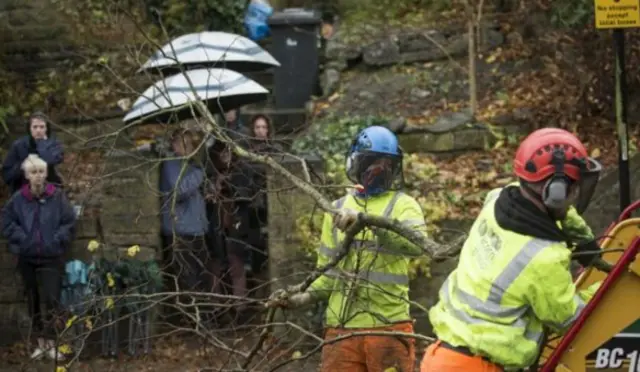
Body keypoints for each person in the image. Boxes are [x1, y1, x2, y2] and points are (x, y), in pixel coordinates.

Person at [420, 128, 604, 372]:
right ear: (556, 192)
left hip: (441, 357)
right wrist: (608, 284)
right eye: (572, 189)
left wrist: (585, 241)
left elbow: (555, 212)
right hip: (478, 366)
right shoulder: (542, 257)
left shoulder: (497, 200)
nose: (573, 197)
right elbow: (570, 318)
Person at [267, 125, 429, 372]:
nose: (380, 170)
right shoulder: (336, 208)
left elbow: (417, 244)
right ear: (359, 163)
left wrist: (368, 222)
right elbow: (328, 274)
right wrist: (302, 296)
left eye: (387, 164)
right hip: (341, 329)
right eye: (374, 163)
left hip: (388, 327)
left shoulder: (404, 206)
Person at [2, 154, 75, 361]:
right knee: (32, 300)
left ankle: (52, 343)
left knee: (52, 300)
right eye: (33, 172)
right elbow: (7, 222)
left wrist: (56, 239)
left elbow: (69, 221)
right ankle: (39, 344)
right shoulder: (18, 199)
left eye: (41, 171)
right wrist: (23, 239)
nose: (38, 176)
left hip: (52, 256)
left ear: (46, 173)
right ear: (26, 175)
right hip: (27, 257)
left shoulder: (57, 196)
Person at [159, 129, 210, 295]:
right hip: (180, 231)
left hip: (196, 228)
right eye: (184, 144)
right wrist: (199, 174)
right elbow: (179, 191)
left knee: (201, 276)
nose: (189, 148)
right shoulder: (171, 164)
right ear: (174, 145)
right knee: (187, 279)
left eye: (190, 144)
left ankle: (202, 316)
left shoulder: (188, 164)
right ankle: (190, 317)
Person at [2, 112, 64, 194]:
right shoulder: (19, 145)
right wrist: (21, 166)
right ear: (29, 128)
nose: (38, 130)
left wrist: (42, 144)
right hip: (23, 188)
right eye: (35, 127)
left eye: (42, 127)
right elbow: (7, 174)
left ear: (46, 129)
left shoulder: (54, 144)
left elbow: (51, 160)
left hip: (49, 186)